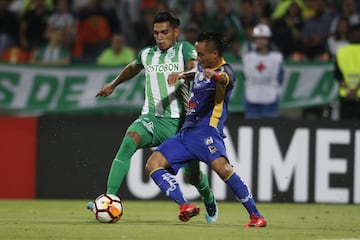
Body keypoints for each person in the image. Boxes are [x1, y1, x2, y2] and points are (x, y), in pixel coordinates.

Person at [88, 12, 218, 223]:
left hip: (181, 125)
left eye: (164, 32)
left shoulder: (184, 48)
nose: (159, 37)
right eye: (156, 32)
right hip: (152, 120)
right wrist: (113, 84)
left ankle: (208, 198)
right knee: (129, 140)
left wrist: (182, 75)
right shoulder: (147, 54)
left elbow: (196, 69)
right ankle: (109, 198)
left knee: (192, 176)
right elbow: (132, 68)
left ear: (176, 32)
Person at [145, 31, 267, 227]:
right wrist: (181, 74)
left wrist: (216, 75)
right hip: (186, 134)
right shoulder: (202, 67)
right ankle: (185, 205)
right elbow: (196, 72)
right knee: (153, 164)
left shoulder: (226, 70)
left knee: (224, 170)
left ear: (214, 54)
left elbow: (225, 79)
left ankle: (256, 215)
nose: (198, 58)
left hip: (207, 133)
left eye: (201, 54)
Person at [243, 23, 284, 119]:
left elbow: (281, 77)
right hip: (251, 97)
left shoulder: (276, 58)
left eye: (263, 38)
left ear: (268, 40)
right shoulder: (247, 58)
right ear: (254, 40)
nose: (260, 41)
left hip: (270, 98)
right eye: (258, 38)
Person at [334, 24, 360, 120]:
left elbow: (337, 75)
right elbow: (338, 74)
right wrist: (354, 91)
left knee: (345, 127)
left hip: (346, 95)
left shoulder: (341, 51)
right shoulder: (341, 52)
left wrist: (350, 91)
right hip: (348, 95)